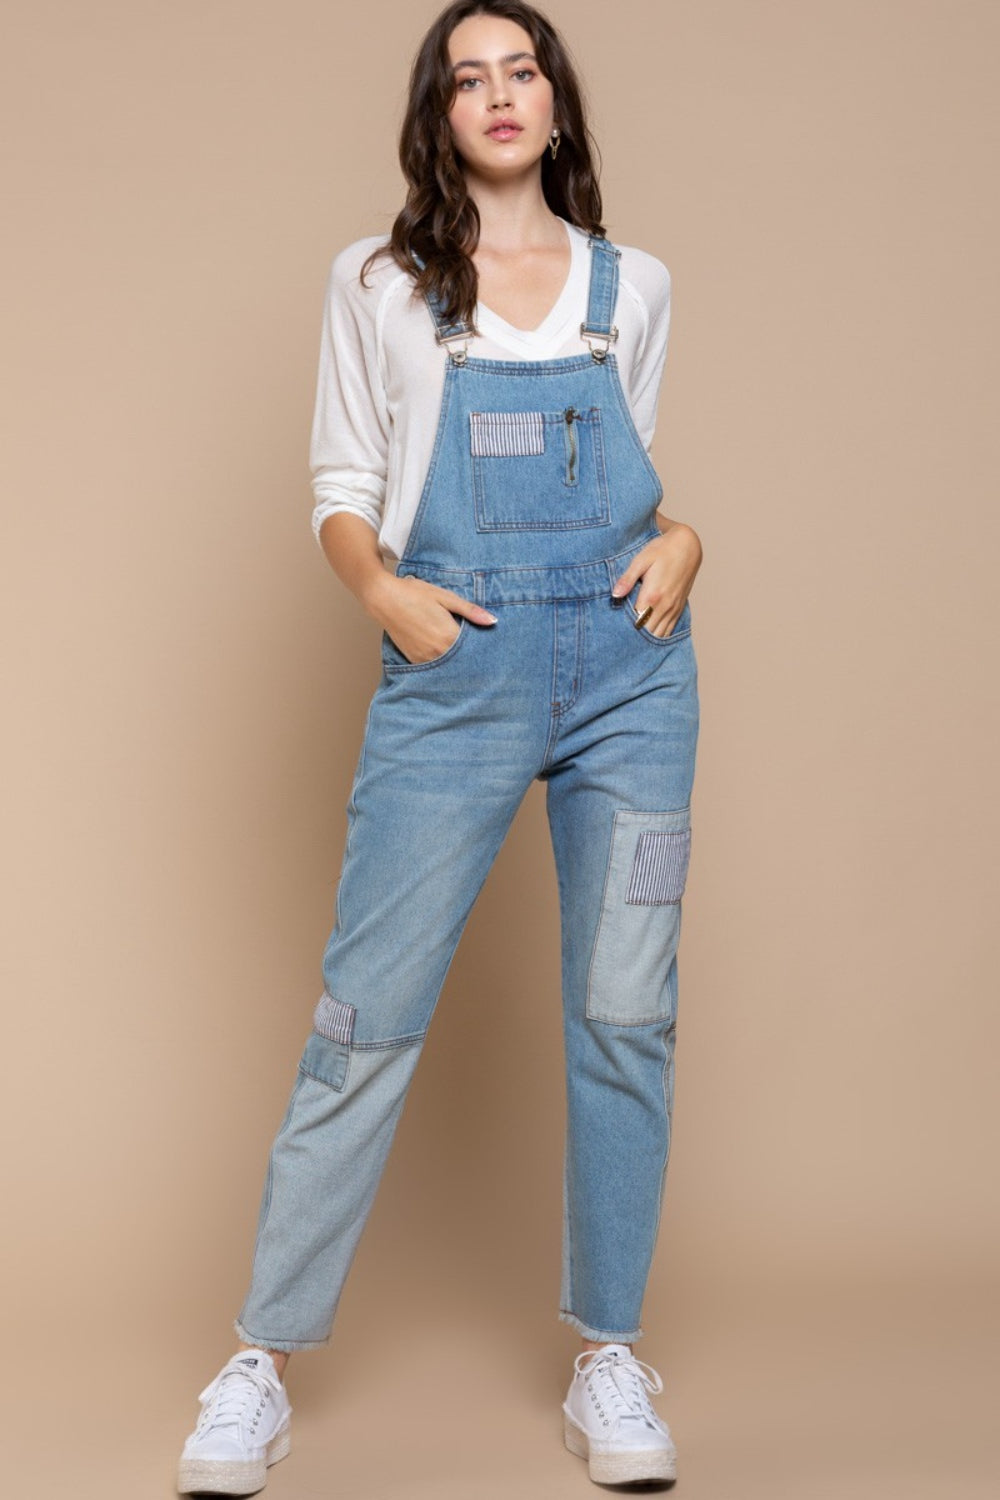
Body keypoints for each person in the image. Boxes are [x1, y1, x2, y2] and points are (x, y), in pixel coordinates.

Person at [176, 0, 702, 1491]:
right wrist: (385, 596)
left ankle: (609, 1353)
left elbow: (643, 483)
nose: (498, 95)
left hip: (632, 678)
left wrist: (692, 541)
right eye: (467, 78)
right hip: (452, 675)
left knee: (625, 1012)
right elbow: (345, 478)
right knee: (366, 1017)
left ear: (556, 97)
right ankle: (257, 1364)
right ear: (440, 114)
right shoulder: (382, 282)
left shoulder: (635, 284)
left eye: (520, 68)